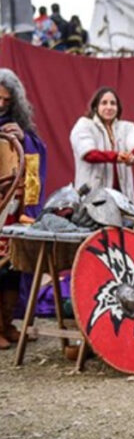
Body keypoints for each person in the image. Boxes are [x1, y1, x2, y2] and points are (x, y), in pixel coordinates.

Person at [0, 69, 48, 350]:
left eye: (7, 100)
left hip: (15, 208)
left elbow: (38, 151)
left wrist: (24, 139)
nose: (1, 104)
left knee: (13, 267)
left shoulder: (19, 124)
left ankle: (7, 324)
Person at [70, 87, 134, 204]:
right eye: (104, 103)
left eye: (113, 103)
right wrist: (117, 156)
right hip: (93, 198)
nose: (109, 107)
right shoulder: (84, 125)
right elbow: (89, 154)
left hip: (123, 198)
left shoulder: (126, 127)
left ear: (118, 108)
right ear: (96, 107)